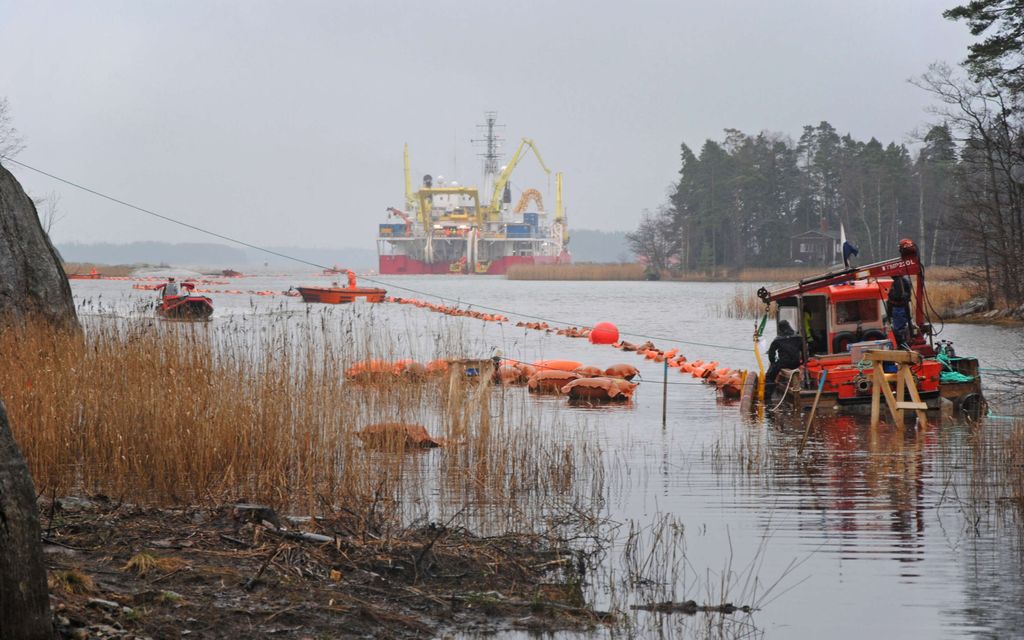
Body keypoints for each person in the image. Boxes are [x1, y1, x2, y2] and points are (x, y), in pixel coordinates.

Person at [765, 320, 803, 400]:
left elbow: (771, 353)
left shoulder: (778, 339)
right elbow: (804, 349)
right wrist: (802, 361)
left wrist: (773, 363)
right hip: (796, 363)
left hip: (784, 363)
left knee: (769, 376)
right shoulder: (798, 337)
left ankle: (767, 397)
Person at [887, 274, 913, 347]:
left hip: (899, 308)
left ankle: (902, 345)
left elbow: (898, 296)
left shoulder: (899, 281)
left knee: (899, 330)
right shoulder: (904, 280)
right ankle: (905, 343)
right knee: (903, 327)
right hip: (903, 307)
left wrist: (890, 295)